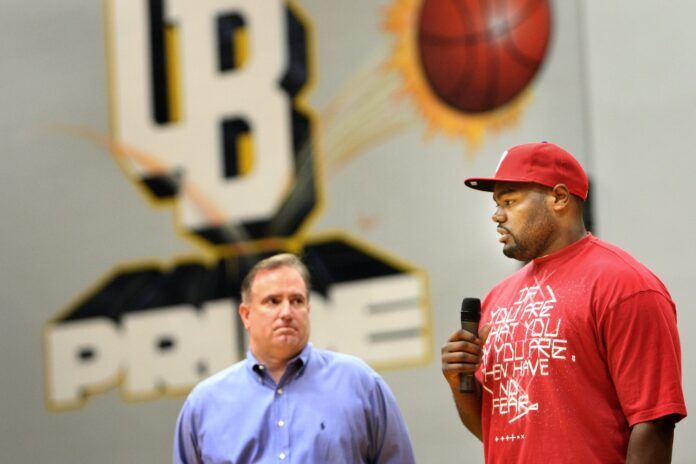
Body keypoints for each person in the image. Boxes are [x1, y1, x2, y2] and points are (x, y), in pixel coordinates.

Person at [441, 142, 687, 463]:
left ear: (558, 198)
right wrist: (460, 381)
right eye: (496, 203)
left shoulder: (625, 286)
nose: (496, 215)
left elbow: (653, 422)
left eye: (510, 201)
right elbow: (497, 431)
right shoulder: (496, 298)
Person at [174, 253, 416, 463]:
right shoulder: (204, 404)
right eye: (273, 301)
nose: (287, 312)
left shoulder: (359, 384)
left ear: (308, 311)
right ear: (246, 315)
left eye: (297, 301)